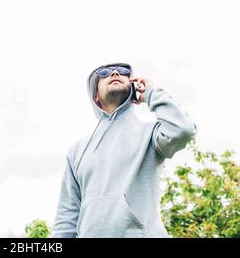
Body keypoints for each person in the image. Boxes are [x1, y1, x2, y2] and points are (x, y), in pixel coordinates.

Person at [51, 62, 197, 238]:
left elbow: (183, 129)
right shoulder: (77, 151)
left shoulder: (150, 134)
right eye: (104, 73)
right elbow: (66, 218)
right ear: (95, 95)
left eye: (123, 71)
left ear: (133, 88)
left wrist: (150, 93)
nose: (114, 73)